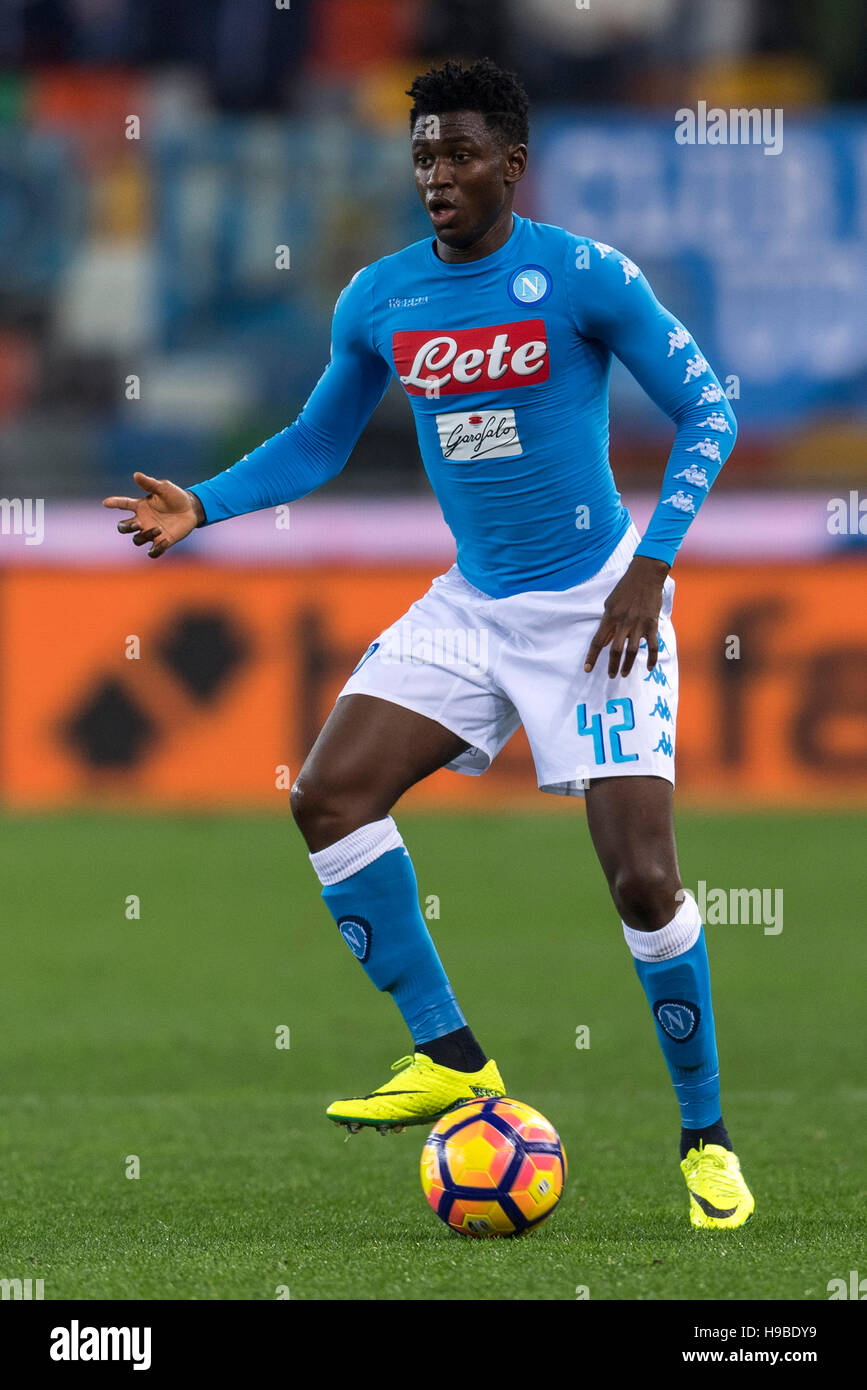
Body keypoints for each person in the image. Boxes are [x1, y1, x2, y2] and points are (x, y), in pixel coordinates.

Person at [104, 58, 754, 1229]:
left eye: (459, 155)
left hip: (599, 602)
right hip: (473, 606)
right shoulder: (379, 299)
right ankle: (453, 1058)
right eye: (421, 157)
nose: (437, 175)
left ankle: (705, 1138)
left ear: (513, 164)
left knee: (645, 882)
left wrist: (652, 568)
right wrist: (204, 501)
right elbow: (316, 440)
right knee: (328, 795)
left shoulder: (582, 278)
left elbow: (711, 404)